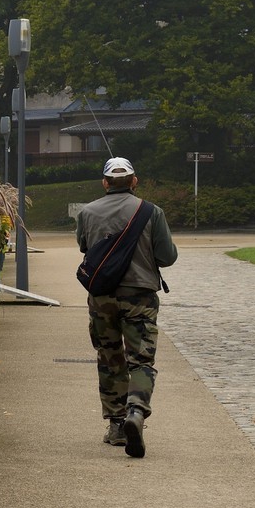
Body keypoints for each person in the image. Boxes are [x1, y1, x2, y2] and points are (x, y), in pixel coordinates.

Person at [76, 156, 178, 458]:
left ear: (105, 183)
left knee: (109, 358)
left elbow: (84, 247)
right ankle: (136, 410)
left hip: (102, 297)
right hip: (140, 296)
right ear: (134, 181)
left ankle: (117, 425)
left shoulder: (87, 212)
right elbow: (167, 256)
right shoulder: (151, 212)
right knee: (141, 360)